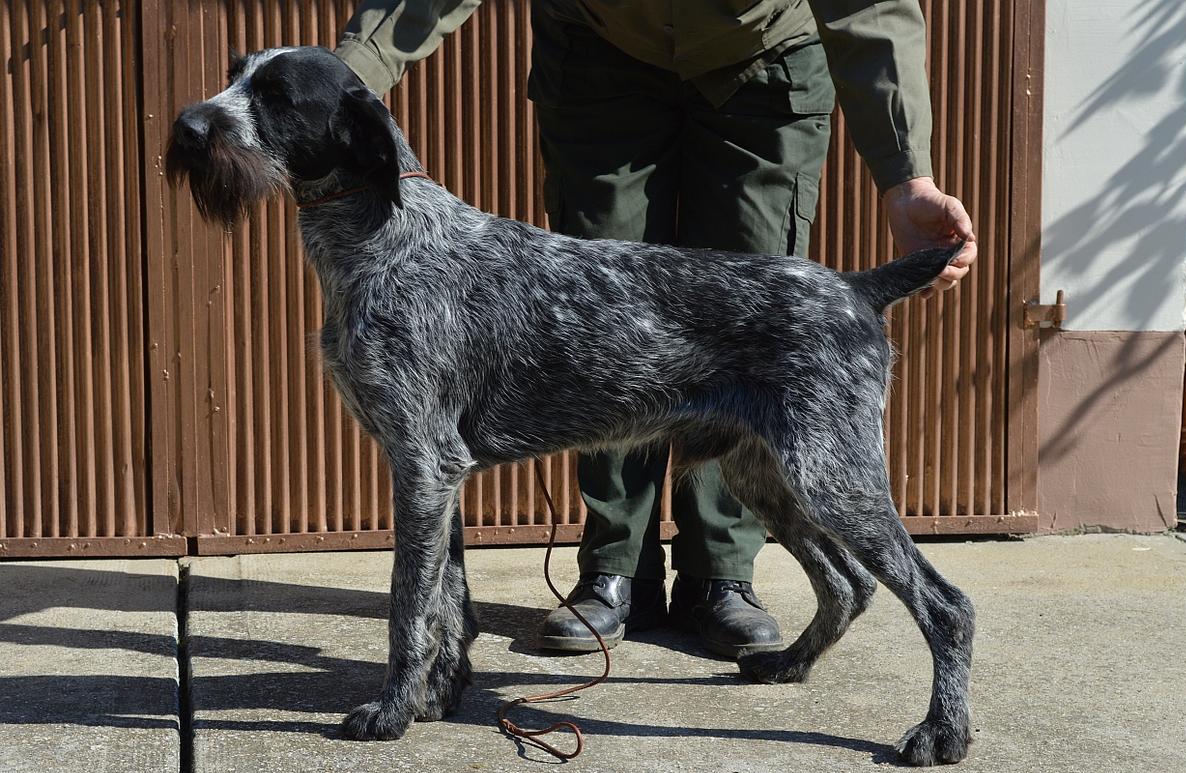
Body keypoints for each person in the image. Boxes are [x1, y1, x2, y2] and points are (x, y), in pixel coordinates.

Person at [332, 0, 978, 659]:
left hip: (762, 58)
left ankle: (721, 576)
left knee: (761, 324)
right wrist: (340, 80)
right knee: (589, 323)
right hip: (602, 52)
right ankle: (615, 569)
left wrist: (906, 176)